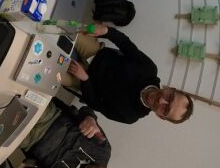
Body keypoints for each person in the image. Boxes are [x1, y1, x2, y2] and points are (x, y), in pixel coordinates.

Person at [66, 24, 194, 125]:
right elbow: (125, 44)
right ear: (170, 88)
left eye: (166, 109)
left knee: (50, 67)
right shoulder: (149, 69)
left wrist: (85, 79)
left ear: (161, 116)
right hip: (95, 52)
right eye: (170, 97)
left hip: (82, 80)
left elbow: (95, 104)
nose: (162, 100)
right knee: (65, 27)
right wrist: (106, 31)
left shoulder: (129, 116)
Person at [18, 101, 123, 168]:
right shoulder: (103, 150)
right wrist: (90, 119)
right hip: (51, 117)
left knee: (8, 117)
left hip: (29, 140)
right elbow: (85, 111)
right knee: (19, 96)